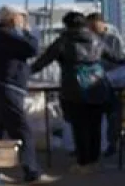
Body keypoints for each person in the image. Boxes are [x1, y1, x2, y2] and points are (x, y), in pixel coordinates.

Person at [31, 11, 125, 170]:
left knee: (79, 127)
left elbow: (42, 62)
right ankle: (94, 161)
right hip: (97, 88)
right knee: (95, 126)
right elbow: (116, 58)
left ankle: (83, 163)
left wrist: (24, 73)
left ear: (67, 25)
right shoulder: (96, 40)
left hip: (73, 90)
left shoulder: (63, 41)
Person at [0, 5, 43, 184]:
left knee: (1, 130)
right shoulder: (6, 35)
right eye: (22, 17)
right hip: (8, 88)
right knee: (23, 129)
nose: (24, 21)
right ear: (12, 18)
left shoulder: (0, 35)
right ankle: (31, 170)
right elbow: (32, 48)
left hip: (2, 87)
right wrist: (27, 31)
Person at [88, 12, 123, 157]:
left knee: (113, 114)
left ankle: (112, 144)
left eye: (94, 26)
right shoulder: (88, 39)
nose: (92, 29)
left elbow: (117, 59)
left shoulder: (113, 39)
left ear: (102, 23)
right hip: (93, 82)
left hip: (111, 81)